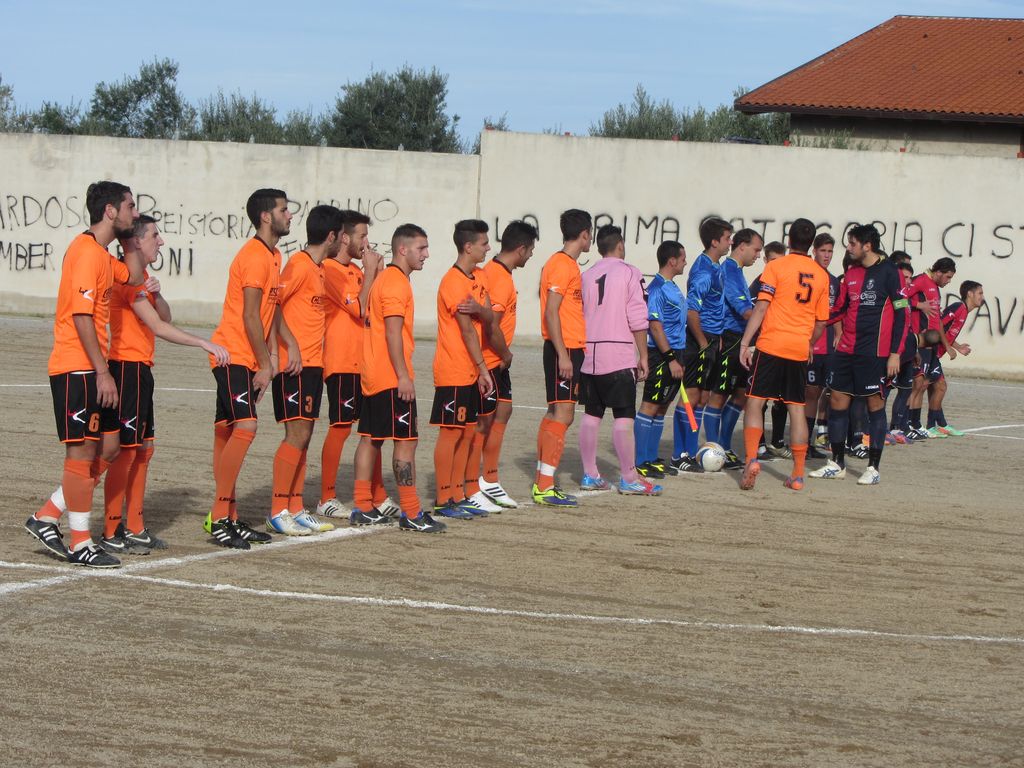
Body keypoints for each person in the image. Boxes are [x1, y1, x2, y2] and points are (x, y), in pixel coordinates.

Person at [27, 180, 143, 568]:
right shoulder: (85, 252)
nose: (135, 213)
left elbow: (135, 276)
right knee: (81, 453)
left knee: (109, 447)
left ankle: (47, 515)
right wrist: (102, 371)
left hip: (91, 367)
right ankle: (80, 542)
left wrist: (129, 238)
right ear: (110, 211)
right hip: (77, 366)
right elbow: (81, 316)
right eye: (129, 207)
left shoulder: (103, 255)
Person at [100, 215, 230, 554]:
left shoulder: (141, 278)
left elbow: (164, 315)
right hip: (126, 369)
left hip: (141, 370)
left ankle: (135, 526)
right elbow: (158, 327)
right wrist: (202, 342)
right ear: (136, 241)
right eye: (155, 235)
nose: (161, 241)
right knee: (125, 452)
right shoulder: (126, 278)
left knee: (144, 449)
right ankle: (111, 528)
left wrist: (156, 294)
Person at [204, 188, 294, 549]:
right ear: (266, 217)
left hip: (247, 356)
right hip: (232, 355)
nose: (290, 215)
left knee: (227, 431)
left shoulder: (273, 255)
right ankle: (218, 516)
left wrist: (271, 355)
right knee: (246, 426)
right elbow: (250, 316)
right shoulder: (255, 256)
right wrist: (265, 364)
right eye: (284, 210)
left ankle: (229, 516)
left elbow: (269, 313)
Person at [351, 224, 445, 532]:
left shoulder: (386, 279)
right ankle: (411, 513)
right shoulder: (395, 283)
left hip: (374, 374)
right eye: (421, 248)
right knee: (406, 443)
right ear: (402, 249)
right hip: (391, 377)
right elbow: (393, 332)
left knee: (370, 438)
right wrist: (403, 376)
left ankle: (362, 505)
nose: (426, 254)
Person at [266, 205, 344, 536]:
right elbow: (272, 305)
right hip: (294, 366)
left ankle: (295, 507)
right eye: (342, 235)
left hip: (313, 366)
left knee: (305, 436)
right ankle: (277, 510)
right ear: (331, 236)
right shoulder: (298, 265)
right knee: (296, 435)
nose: (344, 241)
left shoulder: (319, 268)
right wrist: (290, 346)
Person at [810, 224, 908, 485]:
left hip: (874, 353)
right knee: (837, 401)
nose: (848, 247)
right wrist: (814, 323)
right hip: (845, 350)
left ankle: (873, 468)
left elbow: (903, 314)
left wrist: (895, 353)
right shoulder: (851, 273)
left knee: (874, 405)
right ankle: (837, 463)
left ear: (867, 245)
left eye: (852, 243)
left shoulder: (891, 272)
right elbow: (840, 309)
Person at [738, 218, 829, 491]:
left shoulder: (775, 267)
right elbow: (821, 322)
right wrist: (809, 343)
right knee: (796, 409)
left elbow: (761, 308)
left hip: (771, 345)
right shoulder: (821, 275)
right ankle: (798, 475)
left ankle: (752, 459)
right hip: (798, 348)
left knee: (755, 402)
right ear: (811, 244)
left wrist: (745, 343)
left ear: (789, 240)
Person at [317, 210, 392, 523]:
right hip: (342, 361)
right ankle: (326, 497)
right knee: (341, 427)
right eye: (362, 235)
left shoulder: (358, 272)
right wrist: (370, 273)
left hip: (366, 361)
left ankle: (378, 494)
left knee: (371, 429)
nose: (367, 242)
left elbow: (374, 309)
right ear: (344, 237)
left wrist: (378, 274)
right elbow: (358, 309)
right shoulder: (330, 270)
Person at [577, 225, 659, 495]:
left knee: (592, 413)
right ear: (620, 245)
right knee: (624, 416)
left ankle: (590, 474)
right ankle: (629, 478)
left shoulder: (586, 275)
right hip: (618, 353)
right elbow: (637, 316)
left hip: (590, 353)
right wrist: (643, 355)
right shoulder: (630, 272)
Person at [430, 219, 496, 520]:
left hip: (471, 369)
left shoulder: (479, 276)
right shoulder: (452, 282)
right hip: (454, 368)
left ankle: (457, 494)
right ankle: (443, 498)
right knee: (451, 433)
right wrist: (483, 368)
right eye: (484, 243)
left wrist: (481, 310)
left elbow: (490, 315)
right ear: (468, 247)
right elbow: (467, 329)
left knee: (467, 432)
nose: (488, 248)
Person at [471, 220, 537, 508]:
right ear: (521, 249)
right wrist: (506, 354)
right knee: (483, 422)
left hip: (498, 359)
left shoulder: (501, 273)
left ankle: (489, 478)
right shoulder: (498, 277)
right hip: (491, 360)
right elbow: (491, 324)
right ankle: (473, 482)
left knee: (504, 411)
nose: (531, 256)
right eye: (531, 250)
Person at [533, 209, 591, 507]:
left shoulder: (568, 265)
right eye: (590, 234)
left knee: (555, 413)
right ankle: (544, 486)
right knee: (563, 415)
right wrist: (562, 355)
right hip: (564, 349)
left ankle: (542, 482)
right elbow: (551, 311)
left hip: (570, 348)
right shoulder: (560, 264)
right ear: (584, 234)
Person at [670, 216, 732, 471]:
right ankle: (679, 454)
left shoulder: (717, 267)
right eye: (727, 238)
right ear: (715, 241)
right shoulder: (703, 271)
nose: (730, 243)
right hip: (700, 340)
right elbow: (692, 311)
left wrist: (717, 338)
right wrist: (704, 342)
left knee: (703, 397)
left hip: (712, 339)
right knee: (691, 395)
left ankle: (692, 449)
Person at [635, 241, 688, 478]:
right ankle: (640, 460)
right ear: (672, 261)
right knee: (650, 405)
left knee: (662, 405)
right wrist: (670, 359)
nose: (685, 262)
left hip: (676, 353)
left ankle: (651, 457)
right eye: (683, 258)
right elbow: (655, 327)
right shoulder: (656, 288)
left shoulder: (672, 286)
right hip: (662, 355)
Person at [716, 228, 762, 468]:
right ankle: (717, 447)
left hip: (741, 338)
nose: (758, 255)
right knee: (720, 394)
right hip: (730, 338)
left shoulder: (738, 271)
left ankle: (723, 445)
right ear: (742, 246)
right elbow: (744, 311)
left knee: (741, 393)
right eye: (756, 250)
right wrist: (768, 324)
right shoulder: (730, 271)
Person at [906, 257, 963, 439]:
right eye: (948, 277)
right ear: (938, 272)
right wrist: (918, 305)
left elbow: (937, 319)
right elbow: (899, 299)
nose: (949, 281)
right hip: (920, 341)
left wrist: (947, 345)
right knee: (916, 385)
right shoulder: (920, 281)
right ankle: (905, 424)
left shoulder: (935, 288)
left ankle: (916, 424)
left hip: (931, 344)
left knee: (922, 385)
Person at [924, 280, 985, 436]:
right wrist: (948, 347)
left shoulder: (964, 311)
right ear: (970, 294)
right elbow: (938, 324)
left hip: (934, 353)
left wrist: (957, 346)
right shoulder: (958, 307)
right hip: (930, 351)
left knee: (936, 387)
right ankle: (928, 426)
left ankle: (940, 424)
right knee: (939, 387)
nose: (982, 297)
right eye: (980, 293)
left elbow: (947, 330)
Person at [803, 232, 841, 457]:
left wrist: (839, 332)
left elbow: (837, 312)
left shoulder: (834, 281)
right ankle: (803, 442)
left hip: (829, 349)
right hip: (811, 345)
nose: (826, 255)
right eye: (823, 251)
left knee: (830, 393)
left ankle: (825, 437)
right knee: (810, 393)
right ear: (814, 251)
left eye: (830, 251)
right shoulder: (807, 276)